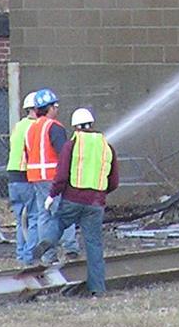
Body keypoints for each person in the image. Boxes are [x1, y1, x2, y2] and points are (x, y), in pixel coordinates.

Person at [35, 107, 119, 296]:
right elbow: (114, 181)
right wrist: (100, 193)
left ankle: (48, 241)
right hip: (95, 204)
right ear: (92, 124)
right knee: (94, 245)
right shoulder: (107, 147)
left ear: (75, 127)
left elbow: (61, 175)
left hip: (72, 199)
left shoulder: (71, 145)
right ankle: (97, 289)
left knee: (59, 222)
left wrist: (52, 195)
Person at [22, 88, 77, 259]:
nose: (57, 109)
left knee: (44, 215)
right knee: (63, 212)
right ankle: (70, 249)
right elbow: (64, 154)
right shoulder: (54, 127)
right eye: (56, 106)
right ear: (50, 108)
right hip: (52, 177)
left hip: (36, 177)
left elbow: (27, 154)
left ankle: (47, 255)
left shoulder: (31, 129)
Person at [6, 91, 40, 265]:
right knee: (34, 217)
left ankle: (20, 255)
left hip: (13, 176)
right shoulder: (35, 127)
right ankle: (29, 256)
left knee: (21, 220)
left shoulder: (18, 126)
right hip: (26, 175)